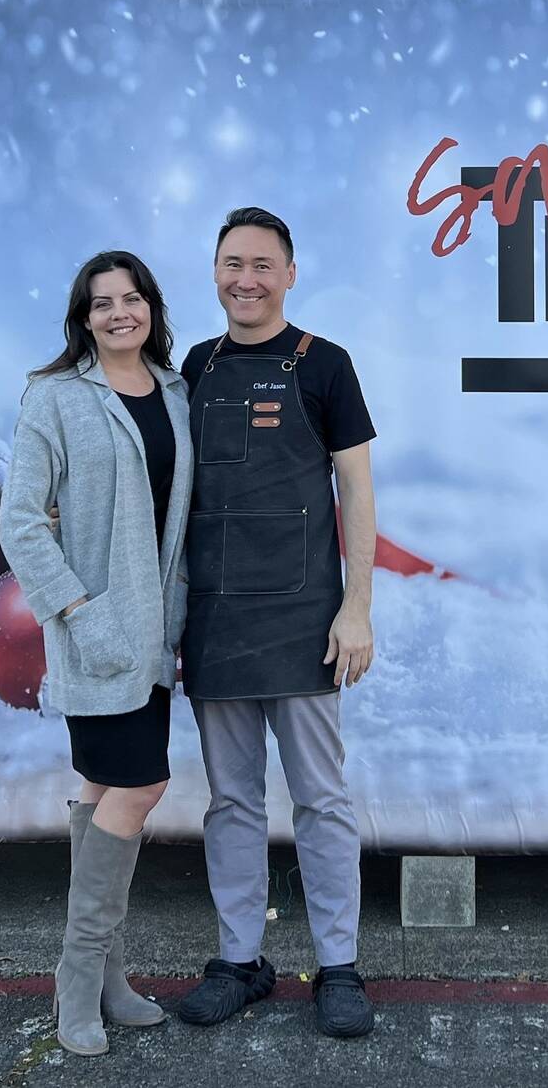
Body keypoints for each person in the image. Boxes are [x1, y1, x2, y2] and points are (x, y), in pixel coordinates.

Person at [172, 206, 380, 1040]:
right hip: (217, 619)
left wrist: (356, 606)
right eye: (232, 263)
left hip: (305, 619)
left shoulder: (325, 365)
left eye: (262, 264)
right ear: (215, 273)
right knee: (231, 801)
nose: (245, 279)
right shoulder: (195, 366)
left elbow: (357, 492)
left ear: (290, 274)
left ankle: (339, 965)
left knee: (322, 800)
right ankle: (240, 960)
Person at [0, 251, 193, 1058]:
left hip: (157, 634)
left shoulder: (177, 392)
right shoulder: (56, 398)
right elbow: (21, 523)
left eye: (132, 298)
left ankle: (109, 981)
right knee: (141, 784)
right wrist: (80, 612)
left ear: (150, 306)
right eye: (102, 303)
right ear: (83, 318)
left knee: (102, 785)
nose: (120, 313)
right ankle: (75, 981)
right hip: (97, 632)